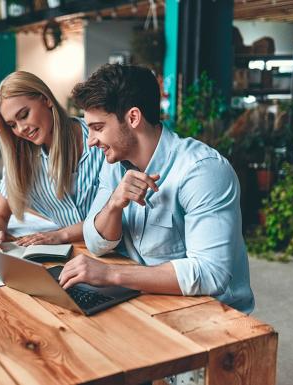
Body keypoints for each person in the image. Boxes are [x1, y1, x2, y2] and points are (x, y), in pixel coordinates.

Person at [59, 64, 254, 314]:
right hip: (145, 301)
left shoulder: (202, 171)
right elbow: (97, 244)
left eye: (98, 128)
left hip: (213, 315)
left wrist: (112, 274)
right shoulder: (114, 163)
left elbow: (211, 273)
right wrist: (114, 205)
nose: (91, 141)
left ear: (133, 118)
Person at [0, 71, 105, 248]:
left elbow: (120, 213)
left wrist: (61, 235)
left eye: (23, 115)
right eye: (12, 125)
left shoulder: (99, 137)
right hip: (73, 253)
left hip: (116, 253)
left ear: (46, 99)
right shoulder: (19, 157)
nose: (20, 129)